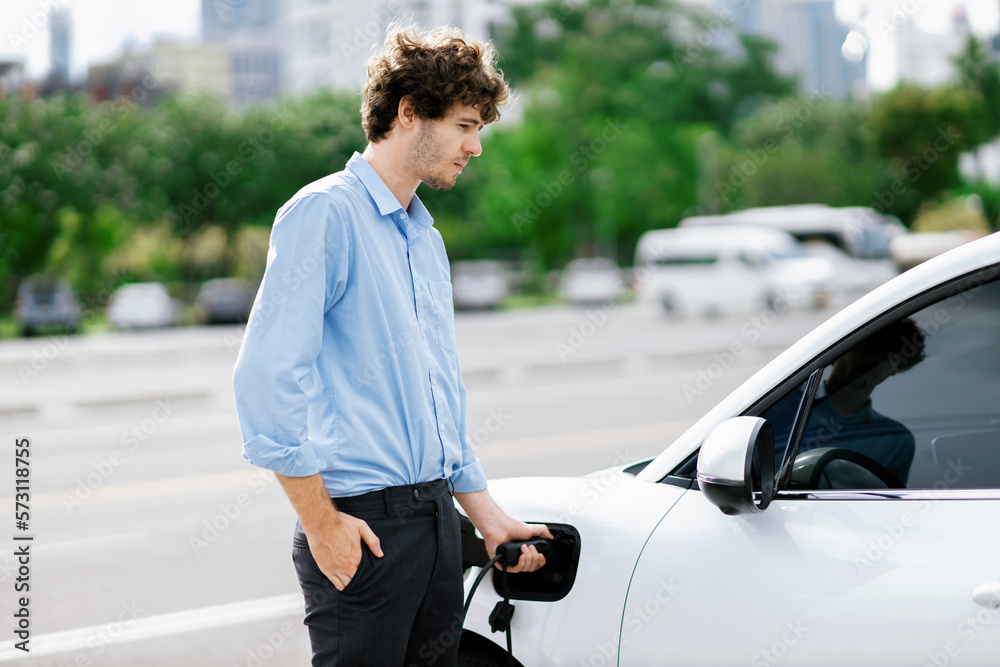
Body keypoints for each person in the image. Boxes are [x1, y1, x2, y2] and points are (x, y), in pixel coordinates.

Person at [232, 26, 551, 667]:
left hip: (435, 520)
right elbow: (266, 380)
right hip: (364, 526)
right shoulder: (325, 214)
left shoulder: (422, 238)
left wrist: (482, 513)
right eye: (465, 124)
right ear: (409, 112)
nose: (476, 145)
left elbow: (438, 395)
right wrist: (323, 525)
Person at [767, 317, 927, 487]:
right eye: (867, 348)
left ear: (897, 368)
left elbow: (890, 507)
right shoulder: (778, 407)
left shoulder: (895, 439)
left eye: (888, 357)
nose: (873, 362)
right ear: (836, 353)